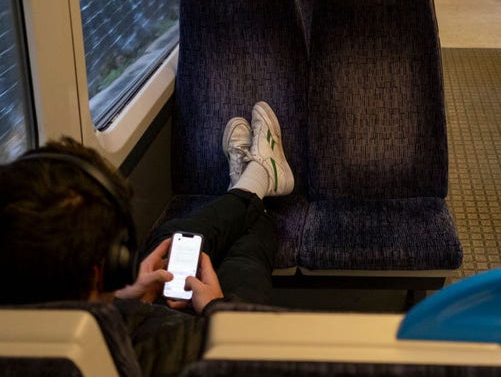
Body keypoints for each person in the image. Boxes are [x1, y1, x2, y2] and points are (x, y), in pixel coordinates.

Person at [0, 101, 293, 377]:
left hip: (123, 312)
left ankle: (252, 184)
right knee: (240, 265)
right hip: (192, 333)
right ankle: (259, 182)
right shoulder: (186, 349)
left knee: (172, 239)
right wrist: (219, 309)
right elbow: (255, 356)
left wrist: (122, 296)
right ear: (108, 269)